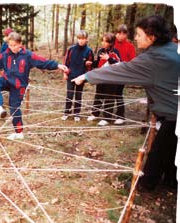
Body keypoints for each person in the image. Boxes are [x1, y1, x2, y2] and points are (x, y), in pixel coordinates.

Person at [72, 15, 179, 191]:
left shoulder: (154, 60)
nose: (135, 37)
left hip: (174, 115)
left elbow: (121, 70)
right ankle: (170, 182)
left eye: (138, 34)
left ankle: (146, 185)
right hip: (172, 112)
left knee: (159, 151)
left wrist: (87, 76)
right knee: (169, 149)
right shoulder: (171, 49)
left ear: (151, 37)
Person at [0, 32, 69, 140]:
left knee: (14, 108)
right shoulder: (6, 54)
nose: (12, 48)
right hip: (7, 80)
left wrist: (57, 65)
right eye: (10, 45)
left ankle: (19, 133)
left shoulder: (28, 55)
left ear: (20, 44)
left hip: (19, 85)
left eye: (15, 45)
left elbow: (42, 62)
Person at [87, 32, 121, 126]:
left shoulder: (115, 52)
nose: (103, 43)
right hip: (101, 77)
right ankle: (95, 113)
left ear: (111, 43)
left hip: (112, 79)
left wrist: (109, 58)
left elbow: (119, 64)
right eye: (102, 40)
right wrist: (91, 63)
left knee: (109, 97)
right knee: (98, 95)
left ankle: (107, 118)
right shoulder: (101, 51)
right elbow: (98, 63)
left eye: (105, 41)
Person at [62, 30, 94, 122]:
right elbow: (66, 62)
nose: (81, 41)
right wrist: (65, 73)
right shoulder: (71, 49)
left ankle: (77, 113)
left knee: (78, 95)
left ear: (87, 39)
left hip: (81, 77)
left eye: (83, 39)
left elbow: (90, 64)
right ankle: (66, 112)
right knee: (69, 94)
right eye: (79, 38)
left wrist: (86, 76)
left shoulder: (89, 51)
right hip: (71, 75)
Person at [113, 24, 136, 125]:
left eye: (123, 34)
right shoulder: (112, 44)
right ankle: (107, 114)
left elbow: (133, 61)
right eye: (118, 33)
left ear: (126, 35)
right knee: (108, 93)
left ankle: (120, 116)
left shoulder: (130, 46)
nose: (121, 36)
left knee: (118, 94)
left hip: (122, 73)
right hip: (111, 72)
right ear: (116, 34)